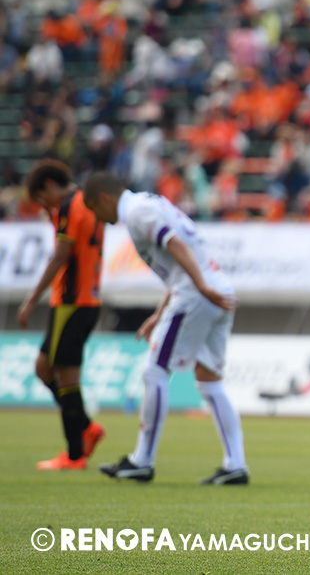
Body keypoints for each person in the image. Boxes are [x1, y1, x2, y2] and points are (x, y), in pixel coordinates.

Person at [82, 172, 249, 485]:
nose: (98, 218)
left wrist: (199, 286)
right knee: (210, 381)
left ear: (103, 199)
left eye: (94, 209)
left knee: (154, 371)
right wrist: (160, 313)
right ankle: (236, 465)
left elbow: (174, 244)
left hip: (197, 295)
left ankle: (142, 461)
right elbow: (179, 259)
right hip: (216, 289)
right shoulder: (148, 204)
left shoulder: (136, 212)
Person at [19, 160, 106, 471]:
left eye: (42, 198)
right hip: (84, 301)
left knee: (66, 377)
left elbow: (60, 256)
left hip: (73, 302)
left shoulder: (70, 206)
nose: (45, 206)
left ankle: (74, 454)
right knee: (44, 367)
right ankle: (86, 426)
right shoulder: (88, 202)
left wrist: (31, 299)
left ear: (50, 186)